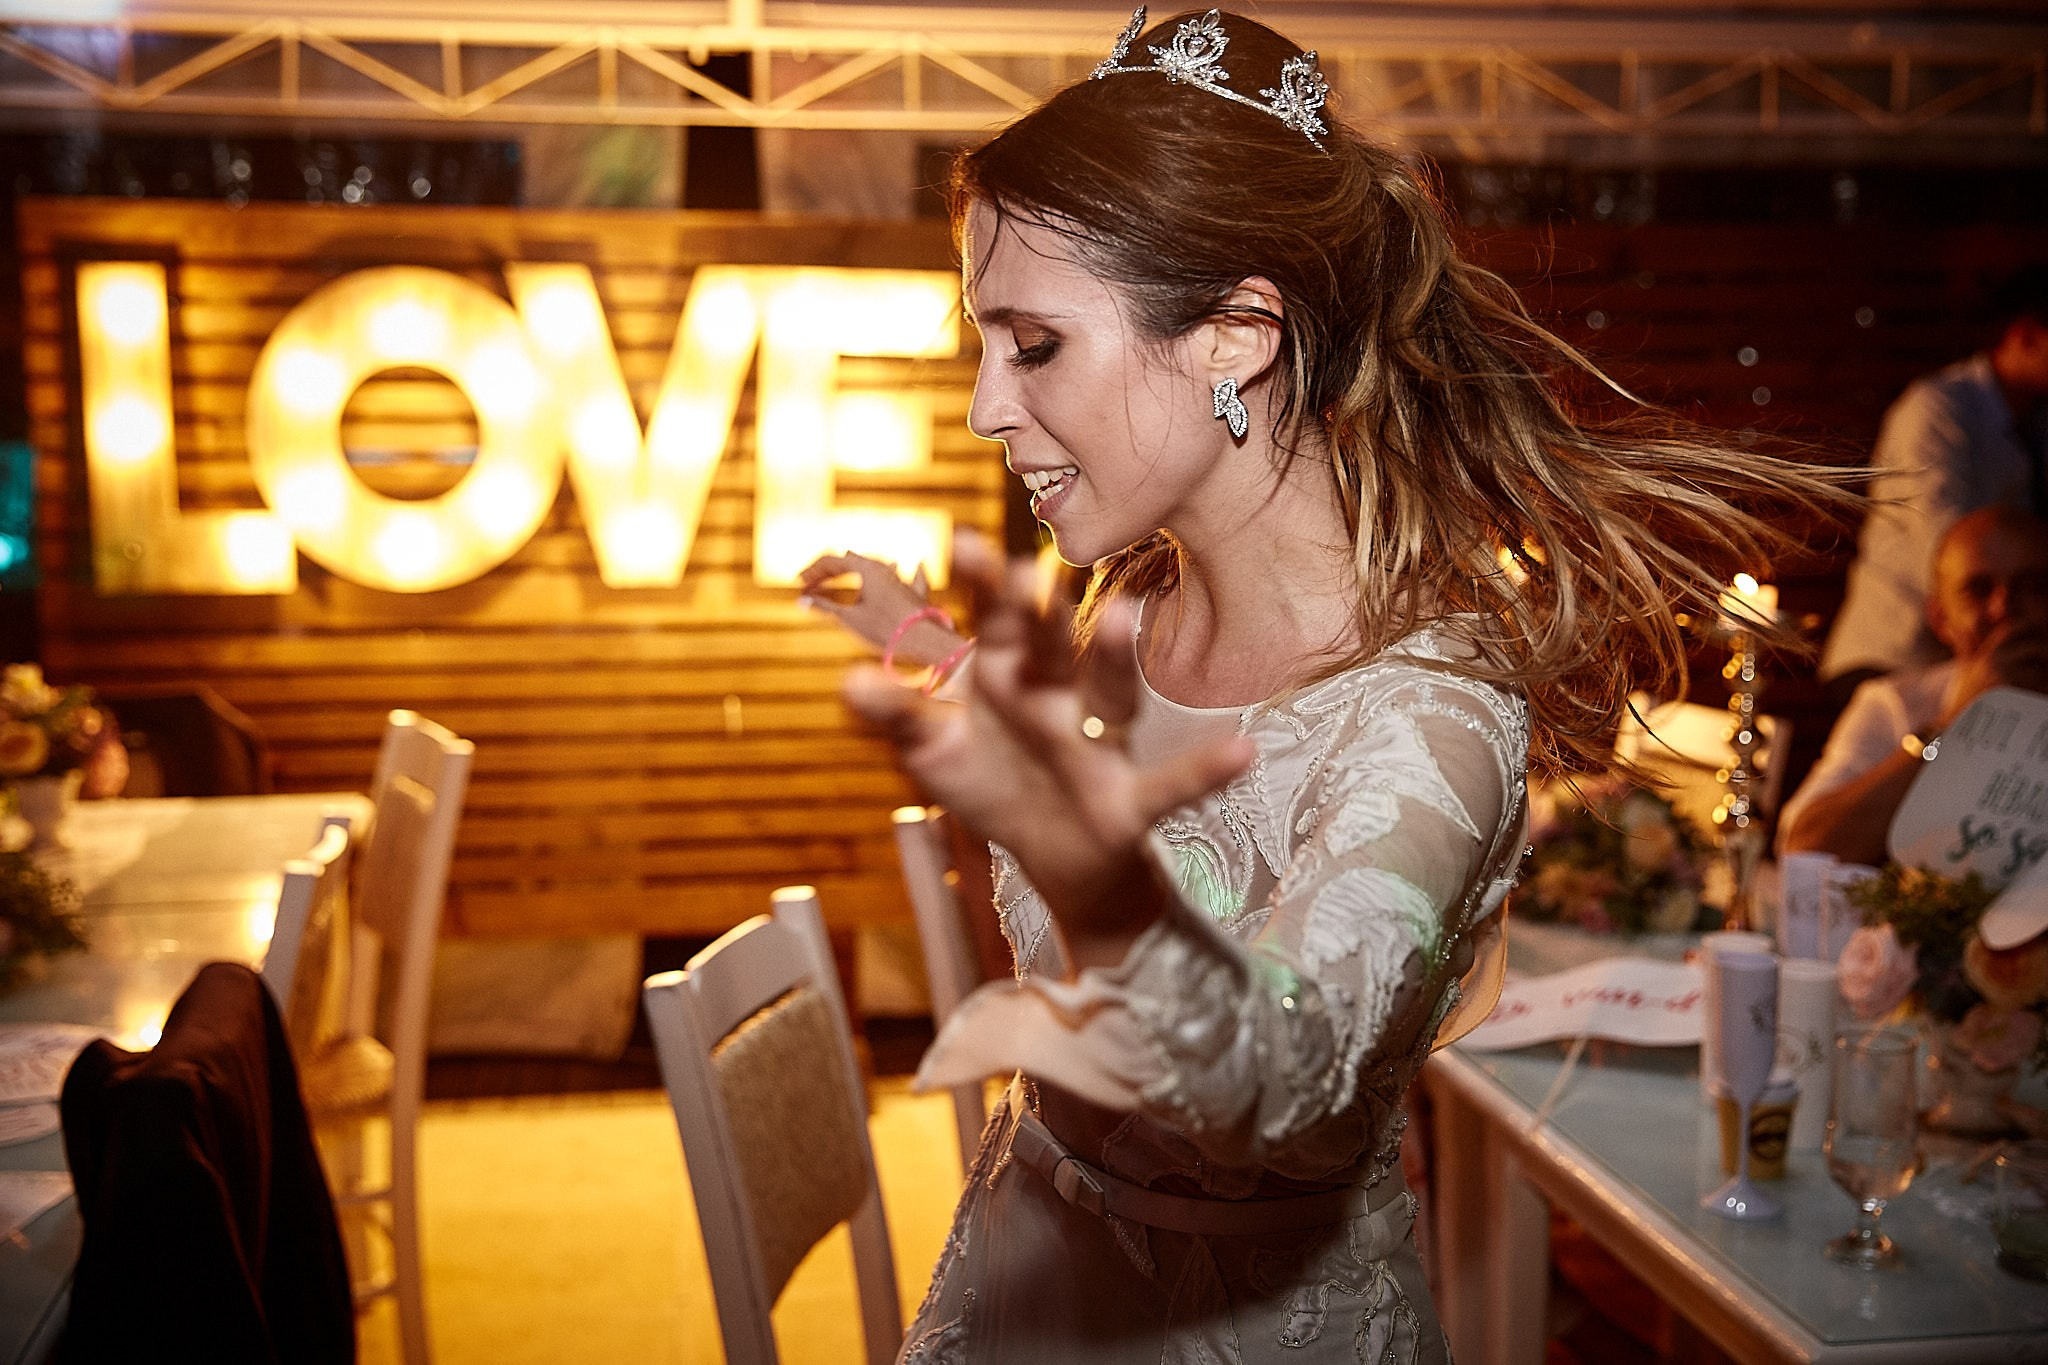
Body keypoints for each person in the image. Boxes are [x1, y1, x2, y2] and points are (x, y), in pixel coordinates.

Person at [819, 11, 1849, 1361]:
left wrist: (1074, 847)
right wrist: (929, 652)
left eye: (1035, 345)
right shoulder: (1127, 609)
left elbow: (1280, 1079)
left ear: (1238, 333)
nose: (982, 407)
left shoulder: (1431, 712)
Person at [1820, 264, 2048, 695]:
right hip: (1897, 659)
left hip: (1979, 661)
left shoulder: (2035, 421)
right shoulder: (1937, 411)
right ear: (2027, 336)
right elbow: (1950, 547)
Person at [1781, 506, 2048, 866]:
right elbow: (1806, 847)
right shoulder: (1895, 704)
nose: (2003, 608)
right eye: (1979, 590)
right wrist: (1952, 728)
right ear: (1940, 619)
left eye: (2031, 588)